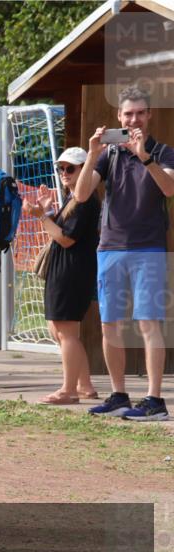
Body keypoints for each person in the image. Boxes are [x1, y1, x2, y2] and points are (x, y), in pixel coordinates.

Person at [73, 86, 173, 421]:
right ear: (118, 117)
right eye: (127, 114)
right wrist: (91, 153)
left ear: (149, 115)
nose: (133, 119)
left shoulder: (162, 152)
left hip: (149, 249)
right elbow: (83, 194)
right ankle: (118, 395)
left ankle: (154, 400)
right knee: (109, 324)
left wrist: (144, 155)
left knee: (148, 323)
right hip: (110, 247)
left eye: (140, 113)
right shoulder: (108, 154)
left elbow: (170, 188)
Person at [22, 148, 100, 405]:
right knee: (59, 331)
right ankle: (84, 384)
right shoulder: (73, 197)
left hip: (72, 269)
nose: (65, 173)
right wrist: (48, 211)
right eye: (61, 168)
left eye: (71, 168)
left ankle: (68, 390)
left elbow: (66, 239)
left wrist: (42, 217)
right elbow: (63, 230)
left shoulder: (85, 199)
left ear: (83, 169)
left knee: (65, 331)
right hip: (66, 268)